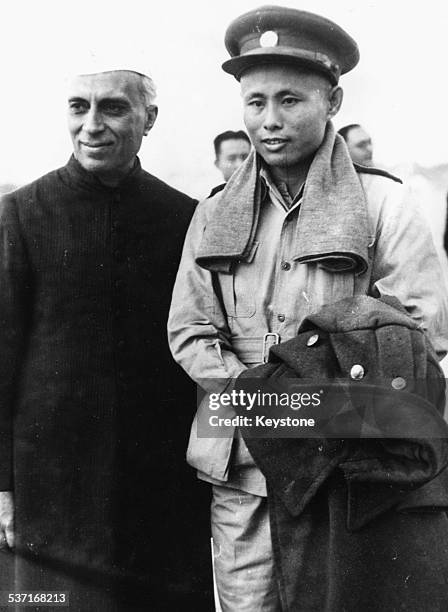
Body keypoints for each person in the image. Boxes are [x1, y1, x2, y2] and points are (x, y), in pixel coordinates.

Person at [168, 5, 448, 611]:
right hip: (241, 463)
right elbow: (190, 328)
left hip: (343, 467)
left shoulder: (384, 207)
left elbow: (420, 334)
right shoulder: (214, 212)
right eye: (255, 101)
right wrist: (260, 399)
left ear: (334, 101)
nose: (269, 121)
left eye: (290, 100)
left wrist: (306, 410)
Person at [0, 66, 212, 610]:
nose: (91, 125)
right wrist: (2, 484)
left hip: (161, 480)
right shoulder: (20, 215)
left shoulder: (185, 217)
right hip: (52, 482)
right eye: (78, 107)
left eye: (113, 108)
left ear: (150, 119)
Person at [209, 130, 251, 197]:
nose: (240, 165)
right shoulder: (210, 203)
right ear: (218, 164)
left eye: (245, 157)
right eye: (231, 159)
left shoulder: (270, 194)